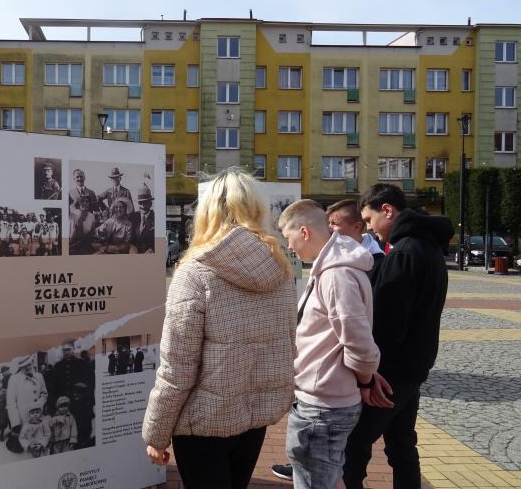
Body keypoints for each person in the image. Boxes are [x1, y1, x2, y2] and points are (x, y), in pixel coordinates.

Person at [142, 168, 297, 489]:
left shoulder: (195, 274)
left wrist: (156, 433)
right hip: (254, 419)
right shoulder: (281, 270)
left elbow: (177, 369)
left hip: (205, 422)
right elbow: (286, 346)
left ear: (207, 213)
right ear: (257, 210)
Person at [343, 184, 454, 489]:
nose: (369, 228)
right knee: (402, 444)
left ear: (387, 210)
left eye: (368, 220)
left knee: (354, 444)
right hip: (415, 365)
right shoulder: (427, 246)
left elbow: (387, 322)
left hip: (391, 371)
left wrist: (366, 371)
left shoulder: (405, 252)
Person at [272, 197, 388, 482]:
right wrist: (366, 378)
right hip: (325, 400)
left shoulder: (336, 275)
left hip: (322, 406)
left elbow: (359, 343)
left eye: (289, 238)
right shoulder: (332, 268)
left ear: (304, 232)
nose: (289, 247)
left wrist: (365, 379)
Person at [5, 356, 48, 452]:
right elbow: (11, 403)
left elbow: (44, 393)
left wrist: (39, 404)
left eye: (30, 364)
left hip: (39, 416)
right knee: (25, 447)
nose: (29, 367)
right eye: (25, 366)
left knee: (40, 444)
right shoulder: (14, 379)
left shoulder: (39, 376)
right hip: (23, 418)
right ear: (20, 367)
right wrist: (15, 423)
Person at [132, 184, 155, 254]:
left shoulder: (156, 218)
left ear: (150, 204)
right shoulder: (133, 217)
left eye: (146, 203)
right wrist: (131, 247)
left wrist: (152, 249)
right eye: (140, 203)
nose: (143, 206)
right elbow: (129, 237)